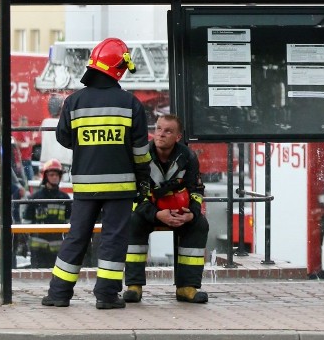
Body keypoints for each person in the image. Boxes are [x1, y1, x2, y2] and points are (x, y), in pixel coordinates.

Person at [42, 37, 151, 310]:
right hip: (121, 187)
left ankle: (58, 293)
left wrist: (89, 147)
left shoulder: (74, 101)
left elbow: (64, 138)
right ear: (119, 68)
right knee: (113, 239)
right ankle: (107, 295)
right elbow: (140, 151)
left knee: (77, 236)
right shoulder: (130, 104)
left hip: (85, 187)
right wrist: (144, 179)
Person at [122, 113, 209, 304]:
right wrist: (156, 214)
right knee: (133, 221)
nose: (161, 134)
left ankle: (187, 287)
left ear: (178, 137)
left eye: (168, 131)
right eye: (158, 129)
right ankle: (134, 286)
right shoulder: (141, 155)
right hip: (148, 211)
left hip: (179, 212)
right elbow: (136, 195)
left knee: (200, 224)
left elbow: (196, 190)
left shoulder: (188, 157)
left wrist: (191, 214)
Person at [24, 159, 72, 269]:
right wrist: (24, 243)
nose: (55, 177)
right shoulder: (35, 198)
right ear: (45, 176)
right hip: (38, 248)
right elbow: (26, 223)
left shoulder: (65, 198)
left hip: (58, 249)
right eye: (52, 175)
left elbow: (70, 222)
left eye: (57, 175)